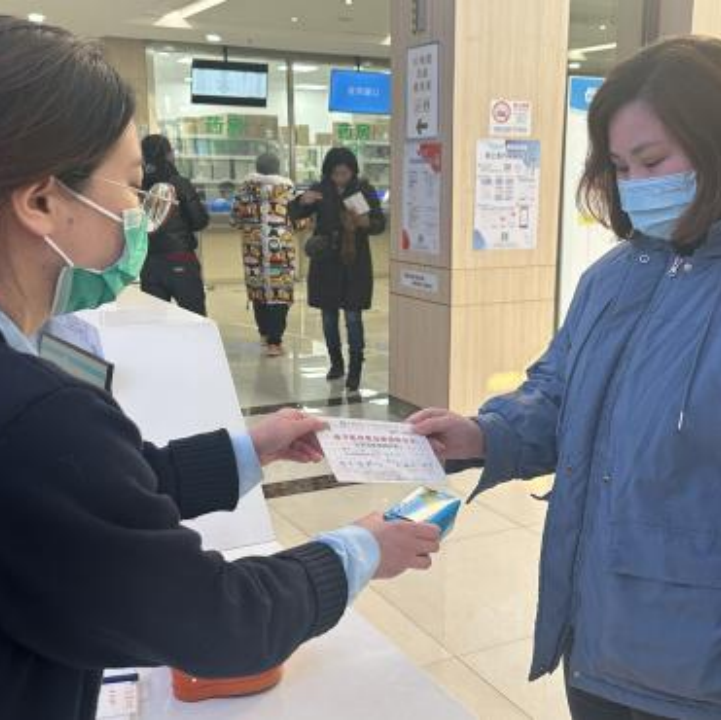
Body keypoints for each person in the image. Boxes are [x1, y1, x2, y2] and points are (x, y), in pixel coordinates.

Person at [0, 17, 440, 720]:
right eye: (133, 187)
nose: (141, 213)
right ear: (41, 201)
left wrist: (249, 449)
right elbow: (219, 622)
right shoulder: (35, 411)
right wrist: (362, 547)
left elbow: (96, 496)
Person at [411, 36, 721, 720]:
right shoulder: (612, 278)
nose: (636, 185)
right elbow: (556, 391)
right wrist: (483, 434)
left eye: (653, 162)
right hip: (594, 637)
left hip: (697, 669)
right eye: (620, 167)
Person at [290, 147, 386, 392]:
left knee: (353, 317)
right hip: (326, 263)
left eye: (344, 173)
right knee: (328, 317)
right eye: (335, 174)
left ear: (352, 171)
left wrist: (365, 222)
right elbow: (295, 213)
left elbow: (379, 224)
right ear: (328, 172)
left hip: (355, 262)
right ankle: (336, 362)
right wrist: (301, 201)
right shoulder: (320, 189)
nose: (340, 178)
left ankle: (355, 369)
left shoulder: (363, 190)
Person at [232, 153, 296, 357]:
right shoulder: (288, 191)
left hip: (254, 252)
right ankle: (275, 342)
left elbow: (235, 220)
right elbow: (300, 220)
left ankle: (265, 334)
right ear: (278, 168)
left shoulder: (244, 190)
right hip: (281, 252)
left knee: (258, 292)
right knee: (279, 294)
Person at [140, 134, 209, 316]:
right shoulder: (179, 183)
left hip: (148, 262)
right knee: (194, 319)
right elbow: (199, 221)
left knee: (156, 322)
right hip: (180, 259)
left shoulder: (138, 185)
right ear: (168, 154)